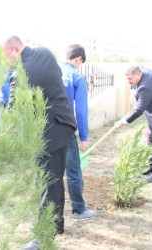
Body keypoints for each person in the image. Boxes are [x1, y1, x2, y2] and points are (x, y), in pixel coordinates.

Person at [2, 36, 77, 240]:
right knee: (54, 179)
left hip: (49, 131)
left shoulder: (20, 74)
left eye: (6, 56)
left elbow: (13, 112)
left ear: (15, 49)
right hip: (64, 123)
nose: (6, 62)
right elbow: (55, 78)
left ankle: (45, 234)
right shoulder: (45, 52)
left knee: (47, 182)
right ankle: (56, 225)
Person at [60, 44, 96, 221]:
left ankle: (49, 214)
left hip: (46, 129)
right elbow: (81, 110)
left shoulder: (52, 71)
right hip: (65, 130)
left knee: (49, 172)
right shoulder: (76, 76)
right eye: (80, 63)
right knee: (73, 171)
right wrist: (83, 137)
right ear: (78, 59)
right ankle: (78, 211)